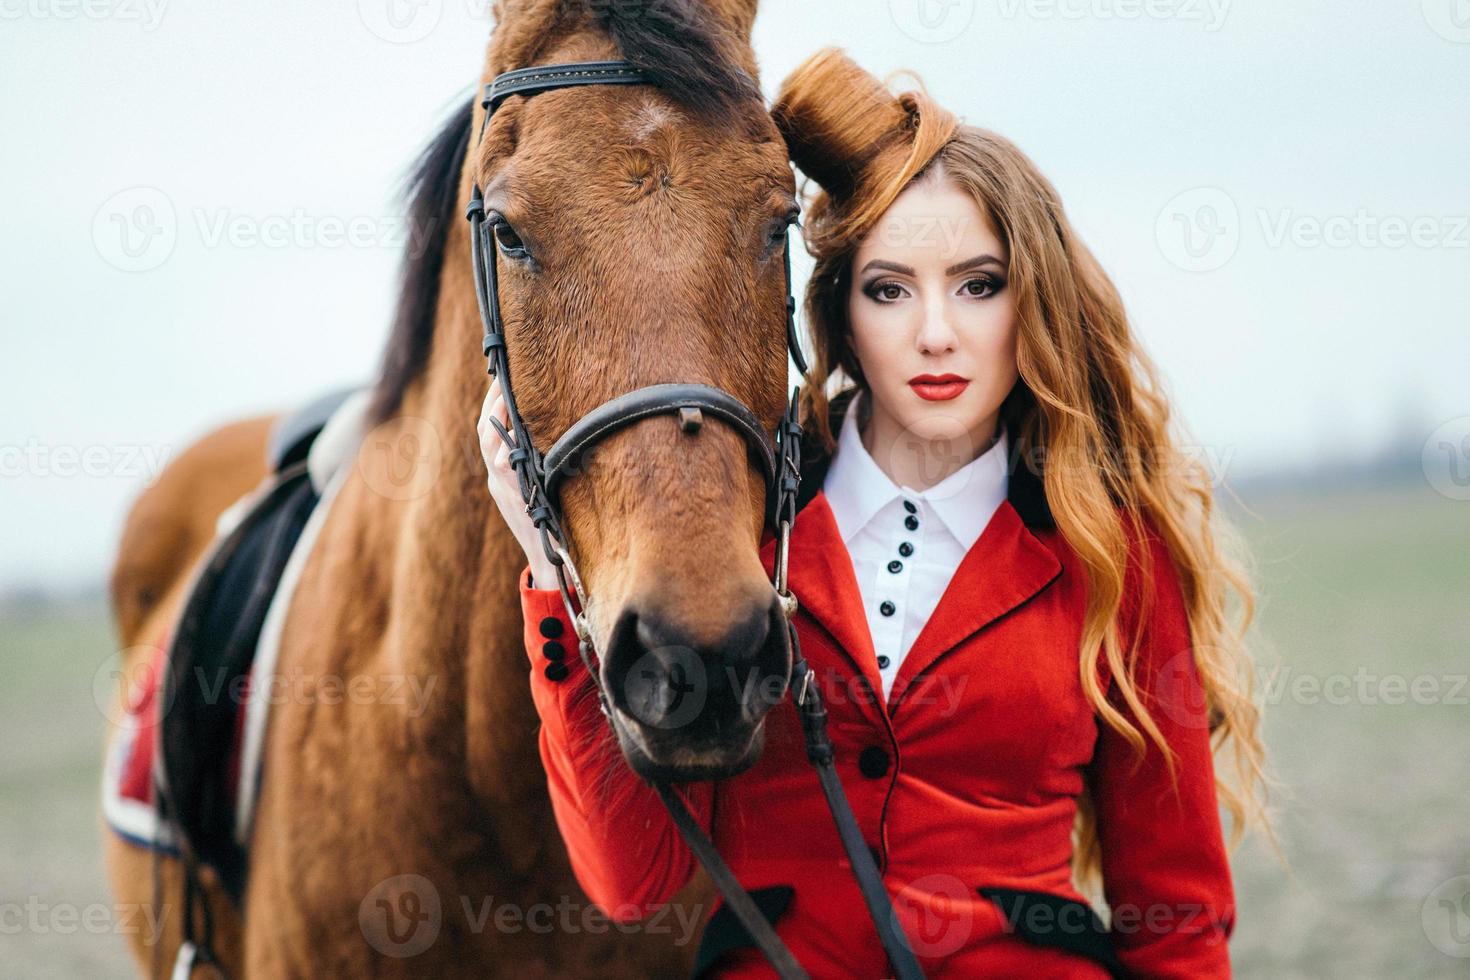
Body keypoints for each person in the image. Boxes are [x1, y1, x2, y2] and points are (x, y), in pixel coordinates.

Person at [478, 47, 1267, 979]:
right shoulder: (744, 540)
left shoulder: (1107, 543)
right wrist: (546, 569)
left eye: (978, 284)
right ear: (841, 315)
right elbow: (633, 882)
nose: (937, 331)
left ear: (1033, 300)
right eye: (891, 289)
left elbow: (1174, 920)